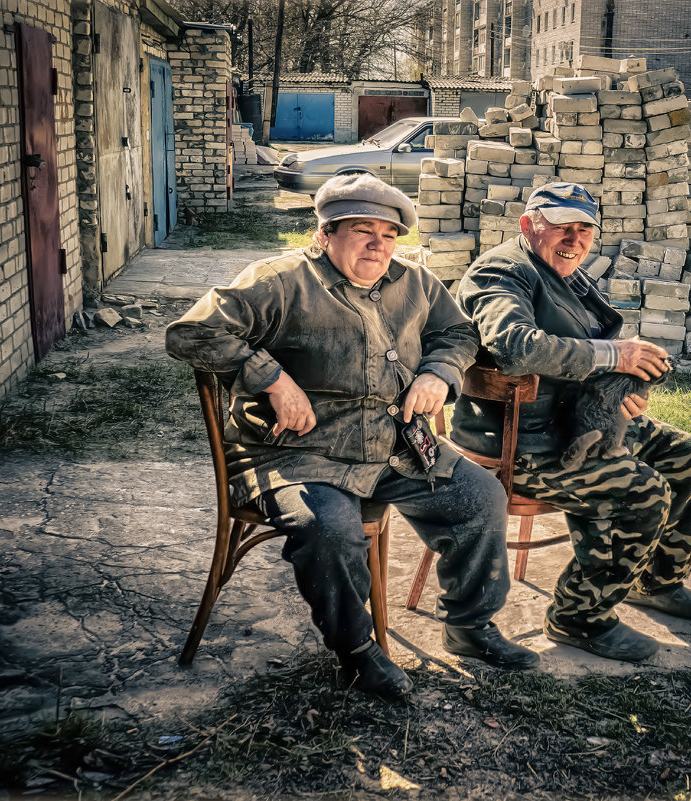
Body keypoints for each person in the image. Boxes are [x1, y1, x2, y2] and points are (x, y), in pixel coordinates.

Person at [166, 174, 538, 698]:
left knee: (480, 497)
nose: (378, 245)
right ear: (325, 234)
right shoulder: (279, 280)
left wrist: (439, 372)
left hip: (393, 446)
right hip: (297, 453)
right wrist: (271, 379)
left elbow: (457, 333)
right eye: (363, 230)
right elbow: (190, 332)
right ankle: (358, 651)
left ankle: (470, 627)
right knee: (330, 529)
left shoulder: (415, 282)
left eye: (388, 235)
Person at [451, 182, 691, 663]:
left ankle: (655, 581)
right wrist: (616, 356)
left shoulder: (562, 272)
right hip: (522, 443)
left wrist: (619, 390)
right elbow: (515, 346)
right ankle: (579, 619)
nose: (574, 239)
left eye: (583, 229)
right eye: (560, 227)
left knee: (687, 456)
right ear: (529, 226)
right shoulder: (502, 272)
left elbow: (586, 347)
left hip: (568, 423)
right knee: (643, 492)